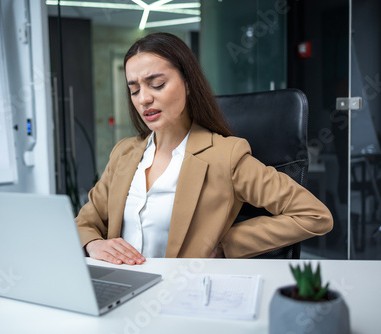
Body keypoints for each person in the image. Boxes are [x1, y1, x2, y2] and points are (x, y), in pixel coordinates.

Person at [75, 32, 333, 265]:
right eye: (134, 89)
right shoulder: (124, 153)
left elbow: (314, 215)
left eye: (157, 84)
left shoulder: (226, 156)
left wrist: (226, 244)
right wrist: (93, 244)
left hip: (178, 293)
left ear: (187, 83)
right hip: (121, 288)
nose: (144, 99)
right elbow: (85, 221)